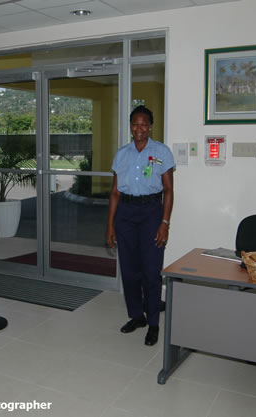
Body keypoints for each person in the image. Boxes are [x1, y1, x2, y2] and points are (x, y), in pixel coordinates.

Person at [106, 105, 175, 346]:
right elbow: (114, 192)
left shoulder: (161, 152)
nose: (139, 129)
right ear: (130, 126)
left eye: (144, 124)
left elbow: (168, 190)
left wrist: (164, 222)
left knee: (151, 271)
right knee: (129, 270)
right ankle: (137, 316)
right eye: (135, 124)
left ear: (150, 126)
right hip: (125, 213)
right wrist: (110, 225)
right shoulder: (122, 154)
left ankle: (153, 322)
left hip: (151, 212)